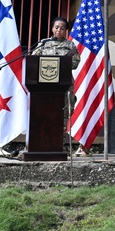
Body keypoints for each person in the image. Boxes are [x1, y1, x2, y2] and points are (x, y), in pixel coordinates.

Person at [31, 17, 82, 154]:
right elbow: (33, 60)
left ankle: (61, 144)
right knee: (44, 114)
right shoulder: (43, 44)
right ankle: (43, 143)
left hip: (65, 86)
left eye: (62, 28)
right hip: (46, 86)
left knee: (64, 115)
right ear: (52, 28)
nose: (59, 30)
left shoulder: (70, 46)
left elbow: (75, 63)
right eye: (57, 27)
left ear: (66, 31)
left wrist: (62, 62)